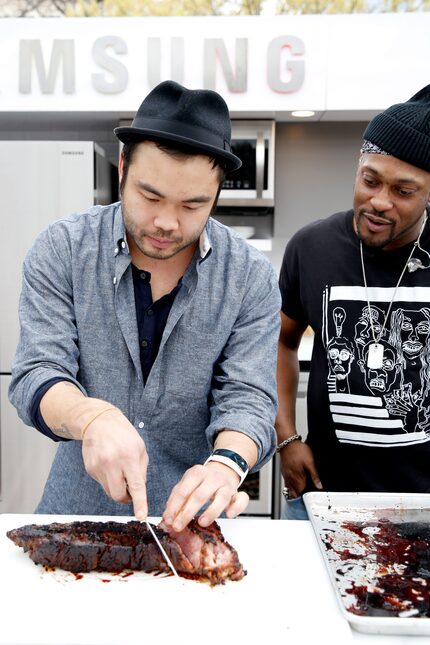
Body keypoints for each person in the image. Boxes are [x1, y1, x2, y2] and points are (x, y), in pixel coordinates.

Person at [9, 80, 281, 532]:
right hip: (75, 516)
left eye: (193, 205)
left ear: (217, 193)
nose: (166, 222)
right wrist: (92, 416)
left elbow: (248, 397)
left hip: (186, 528)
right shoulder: (63, 249)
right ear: (122, 167)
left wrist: (228, 464)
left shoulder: (249, 275)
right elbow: (38, 371)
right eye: (150, 196)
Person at [276, 84, 430, 520]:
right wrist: (287, 439)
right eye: (370, 180)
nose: (379, 202)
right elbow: (281, 342)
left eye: (404, 191)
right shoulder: (312, 247)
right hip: (324, 494)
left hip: (423, 504)